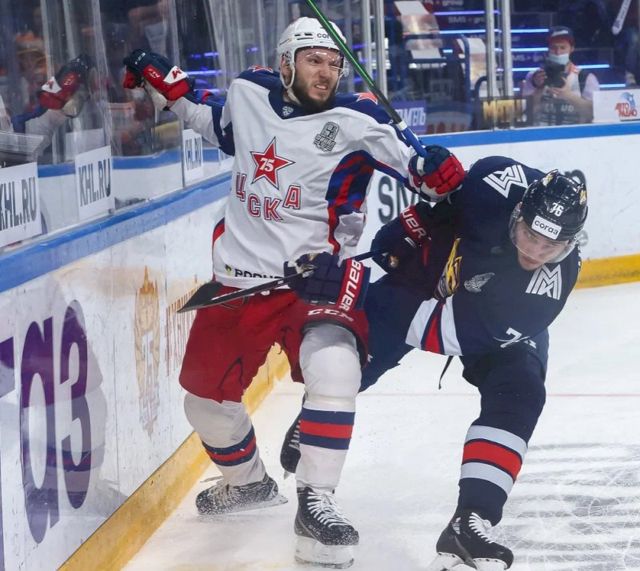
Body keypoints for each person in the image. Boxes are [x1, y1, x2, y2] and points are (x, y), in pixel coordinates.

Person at [121, 16, 464, 569]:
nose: (325, 72)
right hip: (239, 280)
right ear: (286, 64)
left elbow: (419, 169)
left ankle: (317, 503)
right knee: (203, 401)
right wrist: (170, 90)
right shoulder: (249, 92)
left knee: (337, 370)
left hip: (318, 277)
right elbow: (215, 123)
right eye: (313, 61)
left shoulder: (361, 119)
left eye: (333, 64)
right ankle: (248, 484)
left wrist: (436, 172)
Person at [281, 155, 588, 570]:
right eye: (530, 235)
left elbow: (439, 331)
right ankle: (316, 426)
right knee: (347, 368)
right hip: (421, 278)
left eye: (550, 247)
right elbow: (448, 194)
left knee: (522, 391)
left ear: (568, 245)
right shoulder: (496, 180)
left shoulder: (544, 289)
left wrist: (351, 286)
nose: (534, 252)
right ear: (518, 211)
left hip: (473, 322)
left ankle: (471, 520)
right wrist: (416, 220)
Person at [522, 26, 600, 125]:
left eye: (563, 48)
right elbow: (524, 114)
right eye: (553, 48)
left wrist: (568, 96)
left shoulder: (586, 78)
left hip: (574, 132)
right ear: (548, 49)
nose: (558, 52)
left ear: (572, 49)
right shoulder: (534, 77)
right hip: (541, 132)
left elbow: (595, 114)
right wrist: (539, 89)